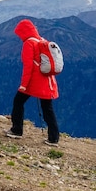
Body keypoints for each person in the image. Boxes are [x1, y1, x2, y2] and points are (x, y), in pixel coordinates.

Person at [6, 18, 60, 146]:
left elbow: (28, 66)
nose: (19, 37)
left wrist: (24, 85)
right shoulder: (42, 40)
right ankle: (53, 138)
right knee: (47, 109)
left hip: (34, 82)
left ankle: (17, 130)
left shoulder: (29, 43)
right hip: (48, 81)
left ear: (23, 32)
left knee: (18, 101)